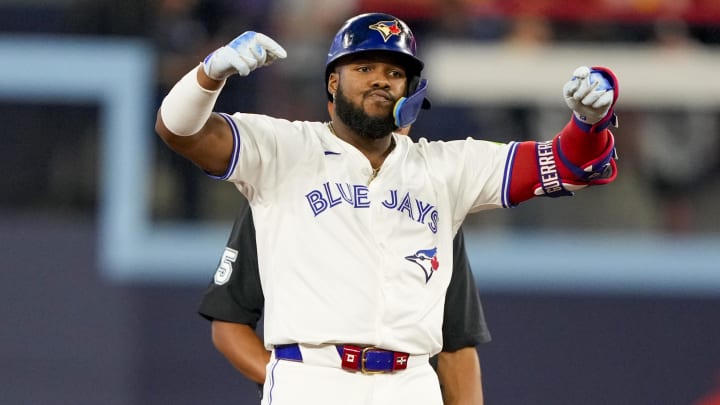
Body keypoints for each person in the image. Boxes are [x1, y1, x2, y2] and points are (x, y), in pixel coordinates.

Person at [155, 12, 620, 405]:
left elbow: (567, 164)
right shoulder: (284, 148)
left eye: (395, 72)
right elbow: (179, 131)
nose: (381, 78)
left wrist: (589, 123)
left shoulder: (444, 167)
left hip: (412, 382)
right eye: (365, 67)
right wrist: (208, 75)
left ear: (410, 90)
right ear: (332, 82)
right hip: (310, 377)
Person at [199, 194, 491, 405]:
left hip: (407, 386)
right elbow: (229, 322)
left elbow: (457, 345)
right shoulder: (281, 186)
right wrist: (299, 377)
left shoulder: (432, 204)